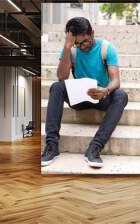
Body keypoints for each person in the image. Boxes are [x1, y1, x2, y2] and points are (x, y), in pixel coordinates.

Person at [41, 17, 128, 168]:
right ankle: (51, 146)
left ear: (92, 33)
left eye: (85, 42)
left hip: (100, 97)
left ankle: (94, 148)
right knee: (56, 87)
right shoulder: (71, 49)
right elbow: (62, 77)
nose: (82, 47)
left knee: (121, 95)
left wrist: (105, 90)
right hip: (78, 98)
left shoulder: (106, 48)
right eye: (77, 43)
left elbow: (116, 80)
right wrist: (68, 47)